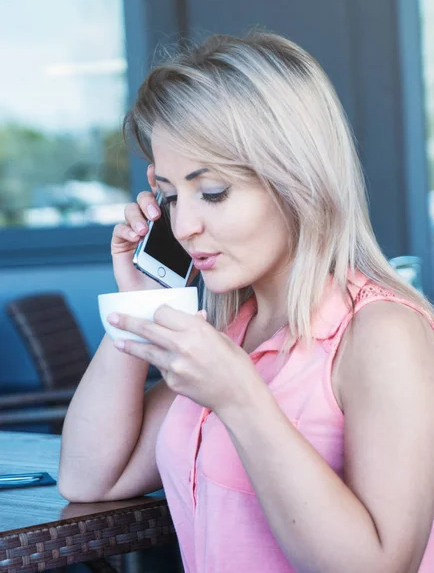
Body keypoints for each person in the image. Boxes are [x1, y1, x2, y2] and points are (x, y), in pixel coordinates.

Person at [58, 31, 434, 573]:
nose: (184, 226)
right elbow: (91, 478)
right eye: (169, 194)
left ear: (296, 180)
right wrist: (140, 307)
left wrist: (241, 400)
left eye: (211, 191)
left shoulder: (382, 333)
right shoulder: (233, 333)